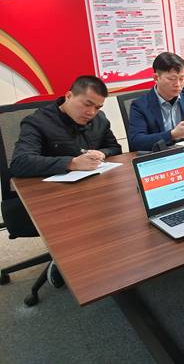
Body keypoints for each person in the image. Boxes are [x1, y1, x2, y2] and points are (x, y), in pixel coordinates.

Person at [10, 75, 122, 288]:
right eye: (87, 104)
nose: (91, 112)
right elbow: (19, 163)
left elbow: (115, 148)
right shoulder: (38, 122)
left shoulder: (99, 119)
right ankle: (65, 257)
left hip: (94, 190)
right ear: (69, 96)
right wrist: (71, 163)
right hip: (54, 198)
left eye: (97, 107)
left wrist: (103, 153)